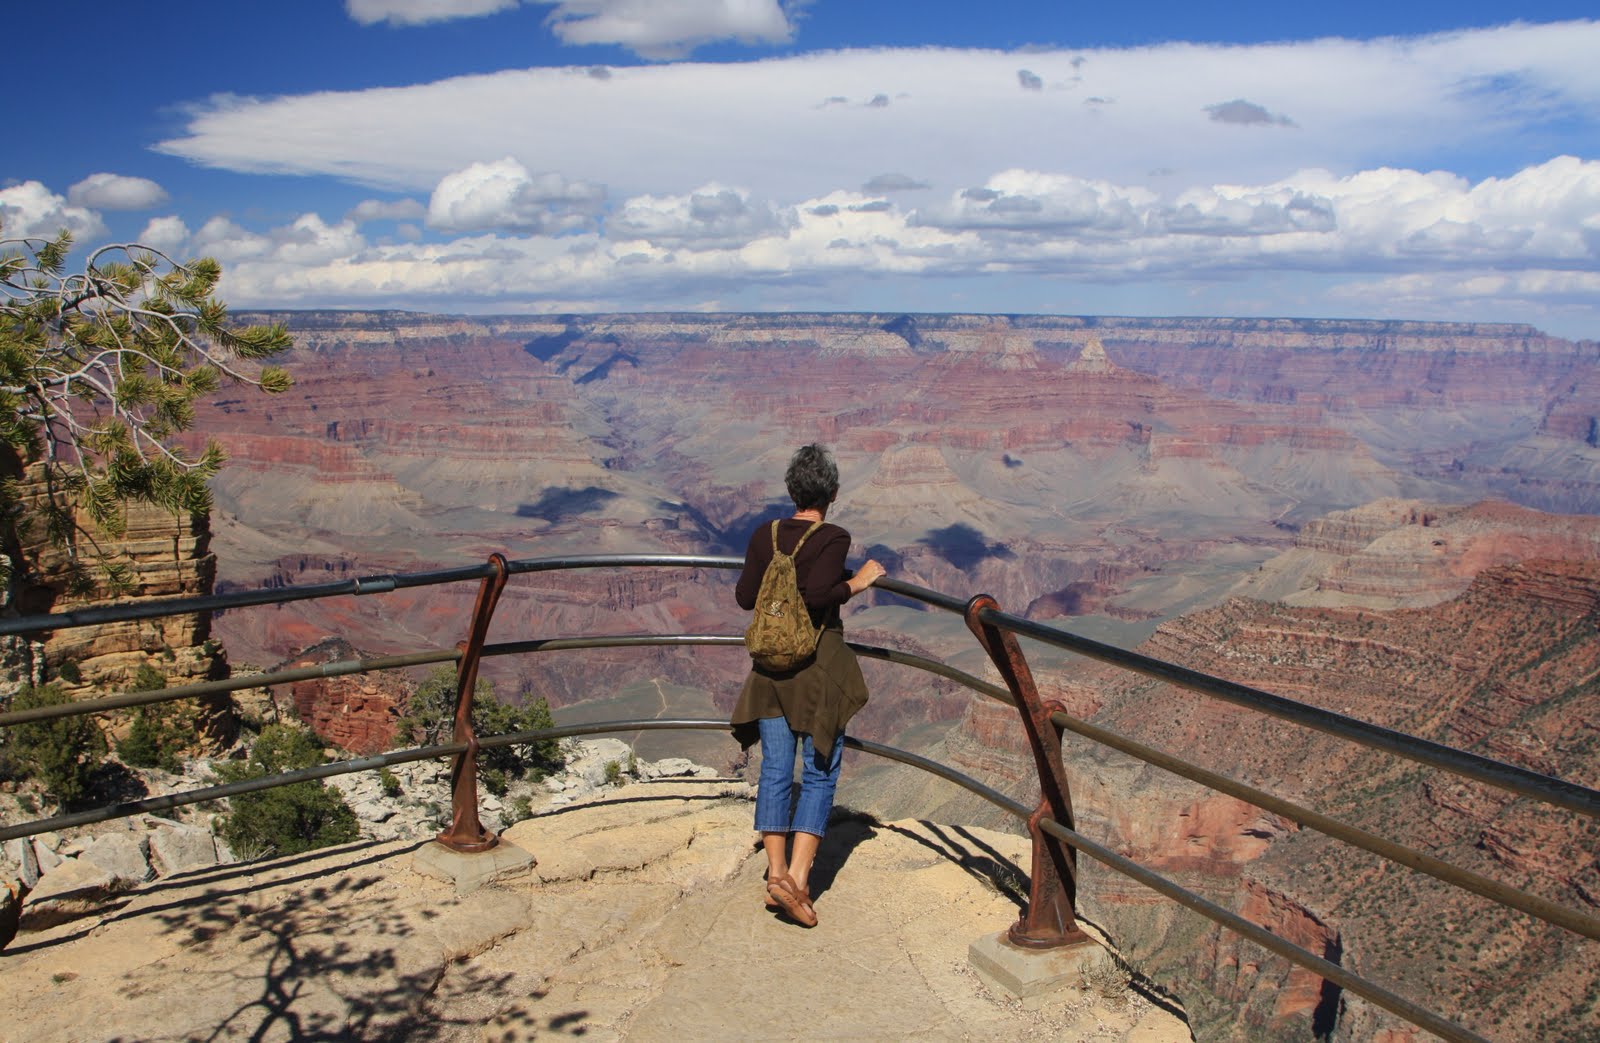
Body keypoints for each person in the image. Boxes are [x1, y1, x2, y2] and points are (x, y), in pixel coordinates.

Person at [731, 444, 885, 927]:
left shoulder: (765, 534)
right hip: (815, 673)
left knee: (776, 767)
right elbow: (819, 594)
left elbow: (744, 597)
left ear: (792, 490)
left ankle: (774, 871)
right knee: (819, 770)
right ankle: (797, 879)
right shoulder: (833, 536)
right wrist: (857, 582)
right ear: (833, 493)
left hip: (770, 674)